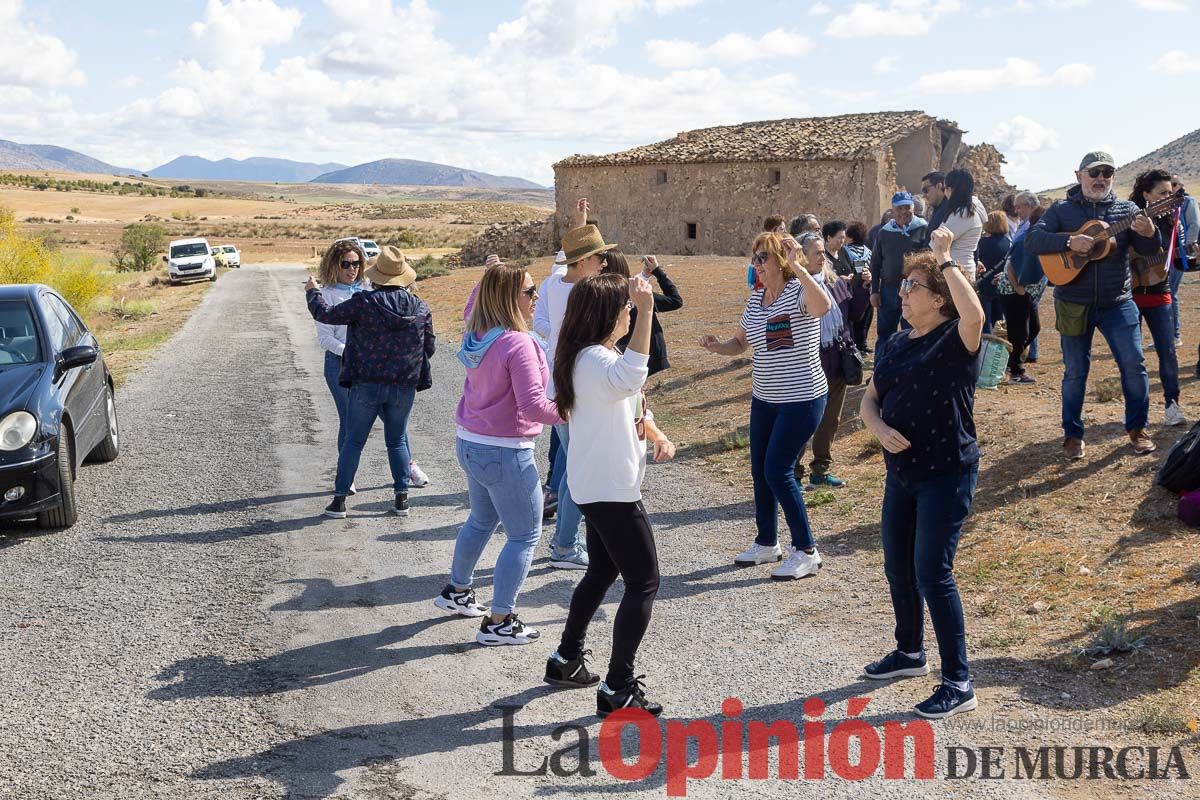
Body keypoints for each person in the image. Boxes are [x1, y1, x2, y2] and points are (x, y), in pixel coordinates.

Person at [859, 227, 986, 720]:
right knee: (898, 566)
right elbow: (871, 398)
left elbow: (974, 313)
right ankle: (909, 653)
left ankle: (958, 681)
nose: (903, 292)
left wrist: (945, 259)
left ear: (939, 299)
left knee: (933, 572)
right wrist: (877, 427)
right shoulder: (892, 342)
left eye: (914, 286)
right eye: (903, 285)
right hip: (902, 473)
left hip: (947, 472)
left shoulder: (958, 339)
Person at [543, 272, 677, 718]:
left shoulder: (589, 357)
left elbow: (632, 396)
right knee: (644, 581)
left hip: (593, 486)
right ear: (606, 313)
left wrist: (653, 432)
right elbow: (632, 374)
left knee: (601, 571)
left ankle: (566, 658)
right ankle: (618, 686)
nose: (630, 312)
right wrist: (649, 310)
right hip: (611, 492)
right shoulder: (596, 361)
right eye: (625, 307)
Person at [434, 263, 561, 645]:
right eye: (529, 290)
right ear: (509, 298)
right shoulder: (517, 343)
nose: (536, 296)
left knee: (481, 519)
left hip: (471, 442)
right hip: (506, 451)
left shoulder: (477, 334)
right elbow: (536, 407)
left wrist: (493, 274)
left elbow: (478, 298)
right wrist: (577, 411)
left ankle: (457, 591)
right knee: (524, 535)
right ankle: (500, 621)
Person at [699, 231, 832, 579]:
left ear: (780, 261)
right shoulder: (756, 300)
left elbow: (823, 307)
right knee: (760, 470)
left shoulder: (797, 292)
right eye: (754, 258)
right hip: (765, 400)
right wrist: (718, 347)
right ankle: (767, 543)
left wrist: (799, 267)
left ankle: (806, 550)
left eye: (763, 258)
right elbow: (741, 343)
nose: (756, 265)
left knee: (778, 470)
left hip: (802, 399)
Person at [1025, 151, 1161, 460]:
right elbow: (1033, 239)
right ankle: (1073, 435)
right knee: (1075, 372)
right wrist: (1069, 241)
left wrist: (1150, 234)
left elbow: (1149, 251)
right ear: (1079, 175)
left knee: (1134, 365)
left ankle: (1137, 429)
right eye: (1094, 172)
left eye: (1107, 173)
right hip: (1074, 303)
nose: (1100, 178)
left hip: (1118, 303)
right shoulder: (1061, 209)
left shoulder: (1128, 210)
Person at [305, 246, 435, 518]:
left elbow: (325, 314)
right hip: (403, 385)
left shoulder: (364, 302)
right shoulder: (421, 307)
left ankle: (339, 501)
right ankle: (401, 499)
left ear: (376, 275)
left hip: (367, 382)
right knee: (397, 440)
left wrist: (312, 292)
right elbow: (429, 347)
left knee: (353, 440)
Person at [540, 205, 616, 570]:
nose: (604, 264)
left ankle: (566, 542)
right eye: (599, 258)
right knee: (577, 469)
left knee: (573, 465)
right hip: (576, 390)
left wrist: (580, 228)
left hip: (557, 387)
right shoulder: (585, 293)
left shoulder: (554, 285)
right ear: (586, 261)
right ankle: (565, 545)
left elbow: (562, 263)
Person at [796, 232, 869, 489]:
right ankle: (793, 474)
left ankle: (820, 471)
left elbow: (855, 316)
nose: (821, 257)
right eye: (816, 252)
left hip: (837, 361)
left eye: (822, 252)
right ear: (800, 258)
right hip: (808, 364)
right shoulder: (794, 288)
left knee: (830, 420)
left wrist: (861, 288)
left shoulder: (834, 282)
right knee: (804, 421)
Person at [1129, 170, 1187, 426]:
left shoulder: (1173, 220)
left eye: (1170, 193)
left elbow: (1171, 257)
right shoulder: (1130, 217)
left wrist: (1180, 241)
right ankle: (1135, 411)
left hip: (1159, 292)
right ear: (1146, 195)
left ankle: (1172, 405)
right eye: (1162, 193)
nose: (1168, 197)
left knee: (1167, 350)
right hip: (1129, 295)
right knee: (1132, 356)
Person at [602, 250, 685, 376]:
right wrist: (657, 271)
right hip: (653, 359)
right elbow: (675, 301)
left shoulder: (599, 297)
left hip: (624, 359)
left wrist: (644, 276)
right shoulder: (636, 293)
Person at [871, 192, 928, 359]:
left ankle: (907, 371)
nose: (904, 212)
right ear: (892, 211)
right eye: (899, 208)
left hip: (913, 290)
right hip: (888, 291)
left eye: (907, 207)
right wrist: (874, 291)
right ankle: (880, 372)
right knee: (884, 335)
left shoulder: (923, 228)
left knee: (913, 332)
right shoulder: (884, 233)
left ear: (913, 209)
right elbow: (875, 263)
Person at [997, 206, 1047, 385]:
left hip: (1026, 293)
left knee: (1034, 328)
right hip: (1014, 292)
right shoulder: (1027, 240)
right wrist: (1019, 289)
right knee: (1019, 333)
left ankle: (1011, 361)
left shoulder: (1042, 240)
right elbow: (1011, 265)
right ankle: (1016, 371)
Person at [941, 169, 986, 282]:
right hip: (959, 270)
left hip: (958, 272)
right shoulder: (964, 212)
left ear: (951, 189)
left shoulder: (963, 214)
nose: (944, 193)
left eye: (944, 188)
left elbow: (937, 242)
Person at [975, 211, 1011, 334]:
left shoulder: (982, 243)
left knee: (984, 325)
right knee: (999, 324)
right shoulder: (1008, 243)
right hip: (999, 286)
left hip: (983, 287)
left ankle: (984, 350)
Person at [843, 222, 874, 352]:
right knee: (866, 319)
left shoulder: (845, 251)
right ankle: (863, 345)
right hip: (867, 287)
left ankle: (854, 345)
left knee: (853, 320)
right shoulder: (869, 251)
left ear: (850, 237)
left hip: (852, 288)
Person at [920, 171, 948, 242]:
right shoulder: (938, 208)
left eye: (926, 190)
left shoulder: (948, 210)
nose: (924, 195)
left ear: (938, 186)